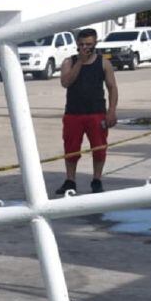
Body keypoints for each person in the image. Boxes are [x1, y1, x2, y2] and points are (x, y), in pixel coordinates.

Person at [56, 28, 118, 195]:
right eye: (82, 44)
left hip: (96, 113)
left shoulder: (103, 63)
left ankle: (97, 180)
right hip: (73, 113)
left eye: (89, 44)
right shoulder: (69, 62)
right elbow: (66, 82)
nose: (85, 48)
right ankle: (70, 181)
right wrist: (80, 63)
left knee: (99, 148)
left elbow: (112, 88)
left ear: (95, 43)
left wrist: (111, 111)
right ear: (77, 44)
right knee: (71, 148)